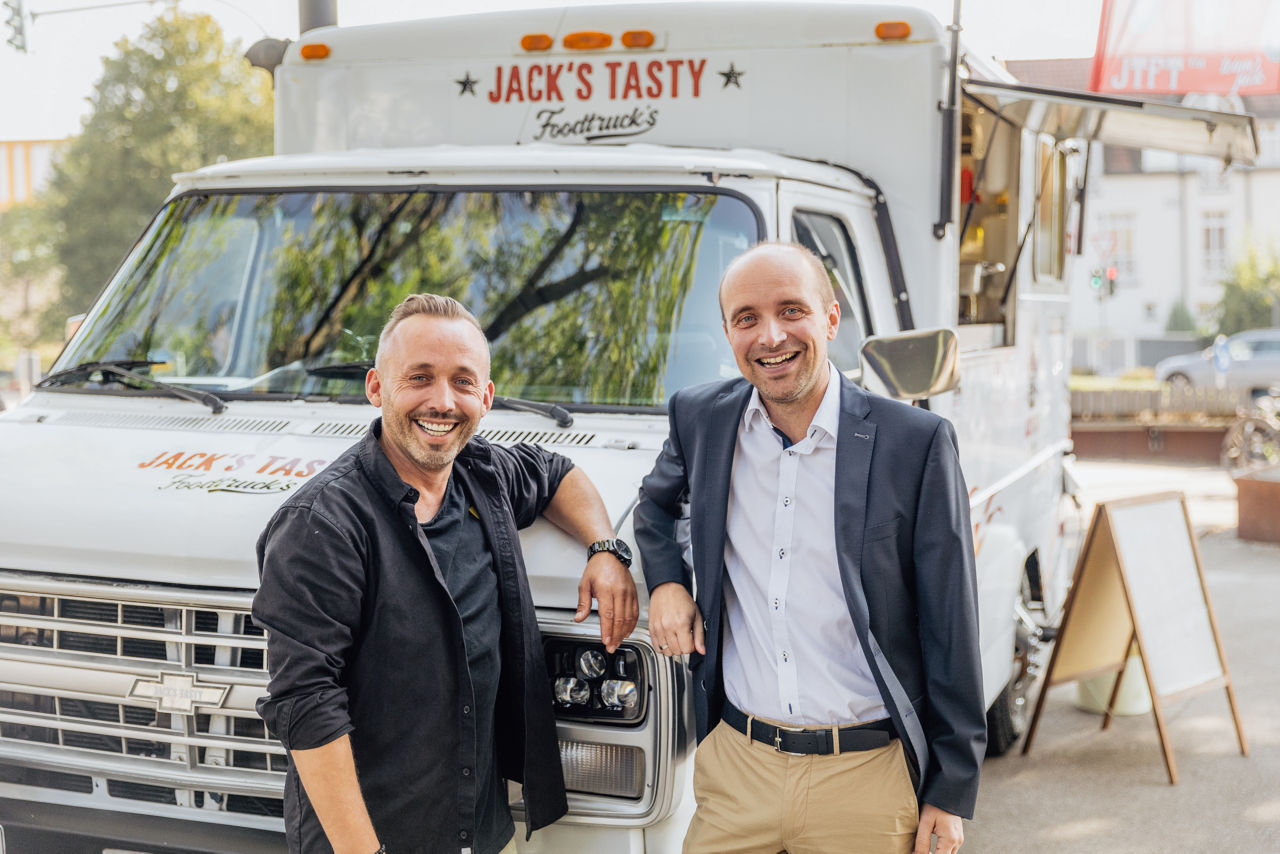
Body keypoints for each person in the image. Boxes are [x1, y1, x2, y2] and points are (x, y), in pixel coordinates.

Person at [253, 293, 638, 854]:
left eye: (462, 382)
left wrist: (605, 548)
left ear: (485, 397)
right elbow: (305, 703)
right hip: (372, 840)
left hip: (481, 833)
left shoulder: (485, 475)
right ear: (376, 388)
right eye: (419, 377)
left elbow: (559, 473)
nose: (442, 401)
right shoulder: (322, 524)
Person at [634, 243, 985, 854]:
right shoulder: (700, 418)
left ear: (830, 317)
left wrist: (949, 791)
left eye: (791, 311)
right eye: (747, 318)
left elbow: (951, 623)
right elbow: (655, 505)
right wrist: (665, 582)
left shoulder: (917, 443)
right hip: (738, 766)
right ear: (727, 332)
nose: (770, 336)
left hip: (866, 774)